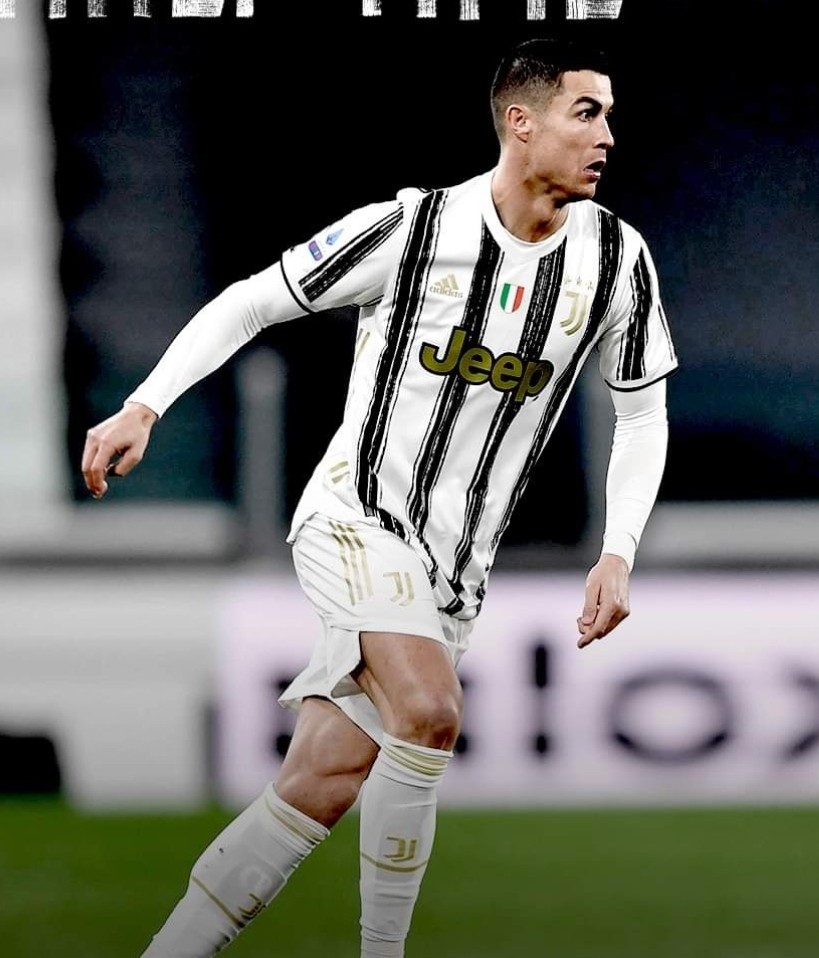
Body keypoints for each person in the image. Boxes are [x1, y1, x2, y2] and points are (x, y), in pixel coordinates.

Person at [80, 36, 677, 958]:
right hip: (353, 520)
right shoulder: (413, 229)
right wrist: (145, 404)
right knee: (431, 712)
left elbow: (641, 414)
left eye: (610, 116)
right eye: (586, 113)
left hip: (453, 571)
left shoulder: (617, 258)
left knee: (321, 783)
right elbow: (254, 299)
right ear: (521, 123)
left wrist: (619, 549)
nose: (607, 136)